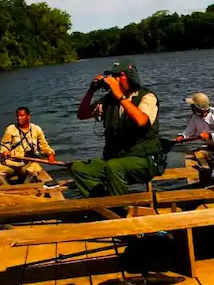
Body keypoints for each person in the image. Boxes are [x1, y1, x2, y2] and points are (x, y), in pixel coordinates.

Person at [70, 59, 166, 197]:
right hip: (116, 160)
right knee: (79, 168)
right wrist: (91, 89)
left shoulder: (147, 97)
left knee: (114, 166)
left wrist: (120, 96)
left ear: (129, 77)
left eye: (118, 75)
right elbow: (82, 114)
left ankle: (120, 209)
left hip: (145, 161)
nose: (114, 80)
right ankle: (104, 203)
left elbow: (141, 121)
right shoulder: (109, 100)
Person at [0, 106, 56, 185]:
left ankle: (26, 187)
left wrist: (50, 154)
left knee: (35, 168)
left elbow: (44, 146)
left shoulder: (36, 129)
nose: (19, 118)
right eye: (17, 116)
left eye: (22, 116)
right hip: (11, 164)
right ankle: (8, 189)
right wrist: (4, 152)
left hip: (26, 165)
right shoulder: (10, 129)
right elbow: (4, 145)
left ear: (28, 116)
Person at [174, 92, 214, 171]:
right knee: (197, 154)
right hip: (211, 146)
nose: (191, 107)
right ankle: (206, 172)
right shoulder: (195, 118)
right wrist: (182, 136)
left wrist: (210, 135)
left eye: (192, 106)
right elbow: (189, 130)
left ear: (198, 107)